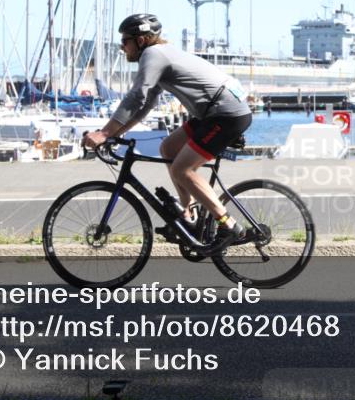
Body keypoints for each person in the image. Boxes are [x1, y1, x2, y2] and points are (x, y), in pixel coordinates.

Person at [82, 14, 252, 247]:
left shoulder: (153, 55)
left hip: (226, 113)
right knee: (168, 148)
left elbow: (135, 97)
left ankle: (229, 224)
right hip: (213, 112)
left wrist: (103, 133)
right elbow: (145, 106)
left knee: (183, 169)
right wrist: (114, 134)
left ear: (141, 41)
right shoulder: (158, 57)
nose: (122, 48)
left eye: (125, 41)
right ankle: (189, 215)